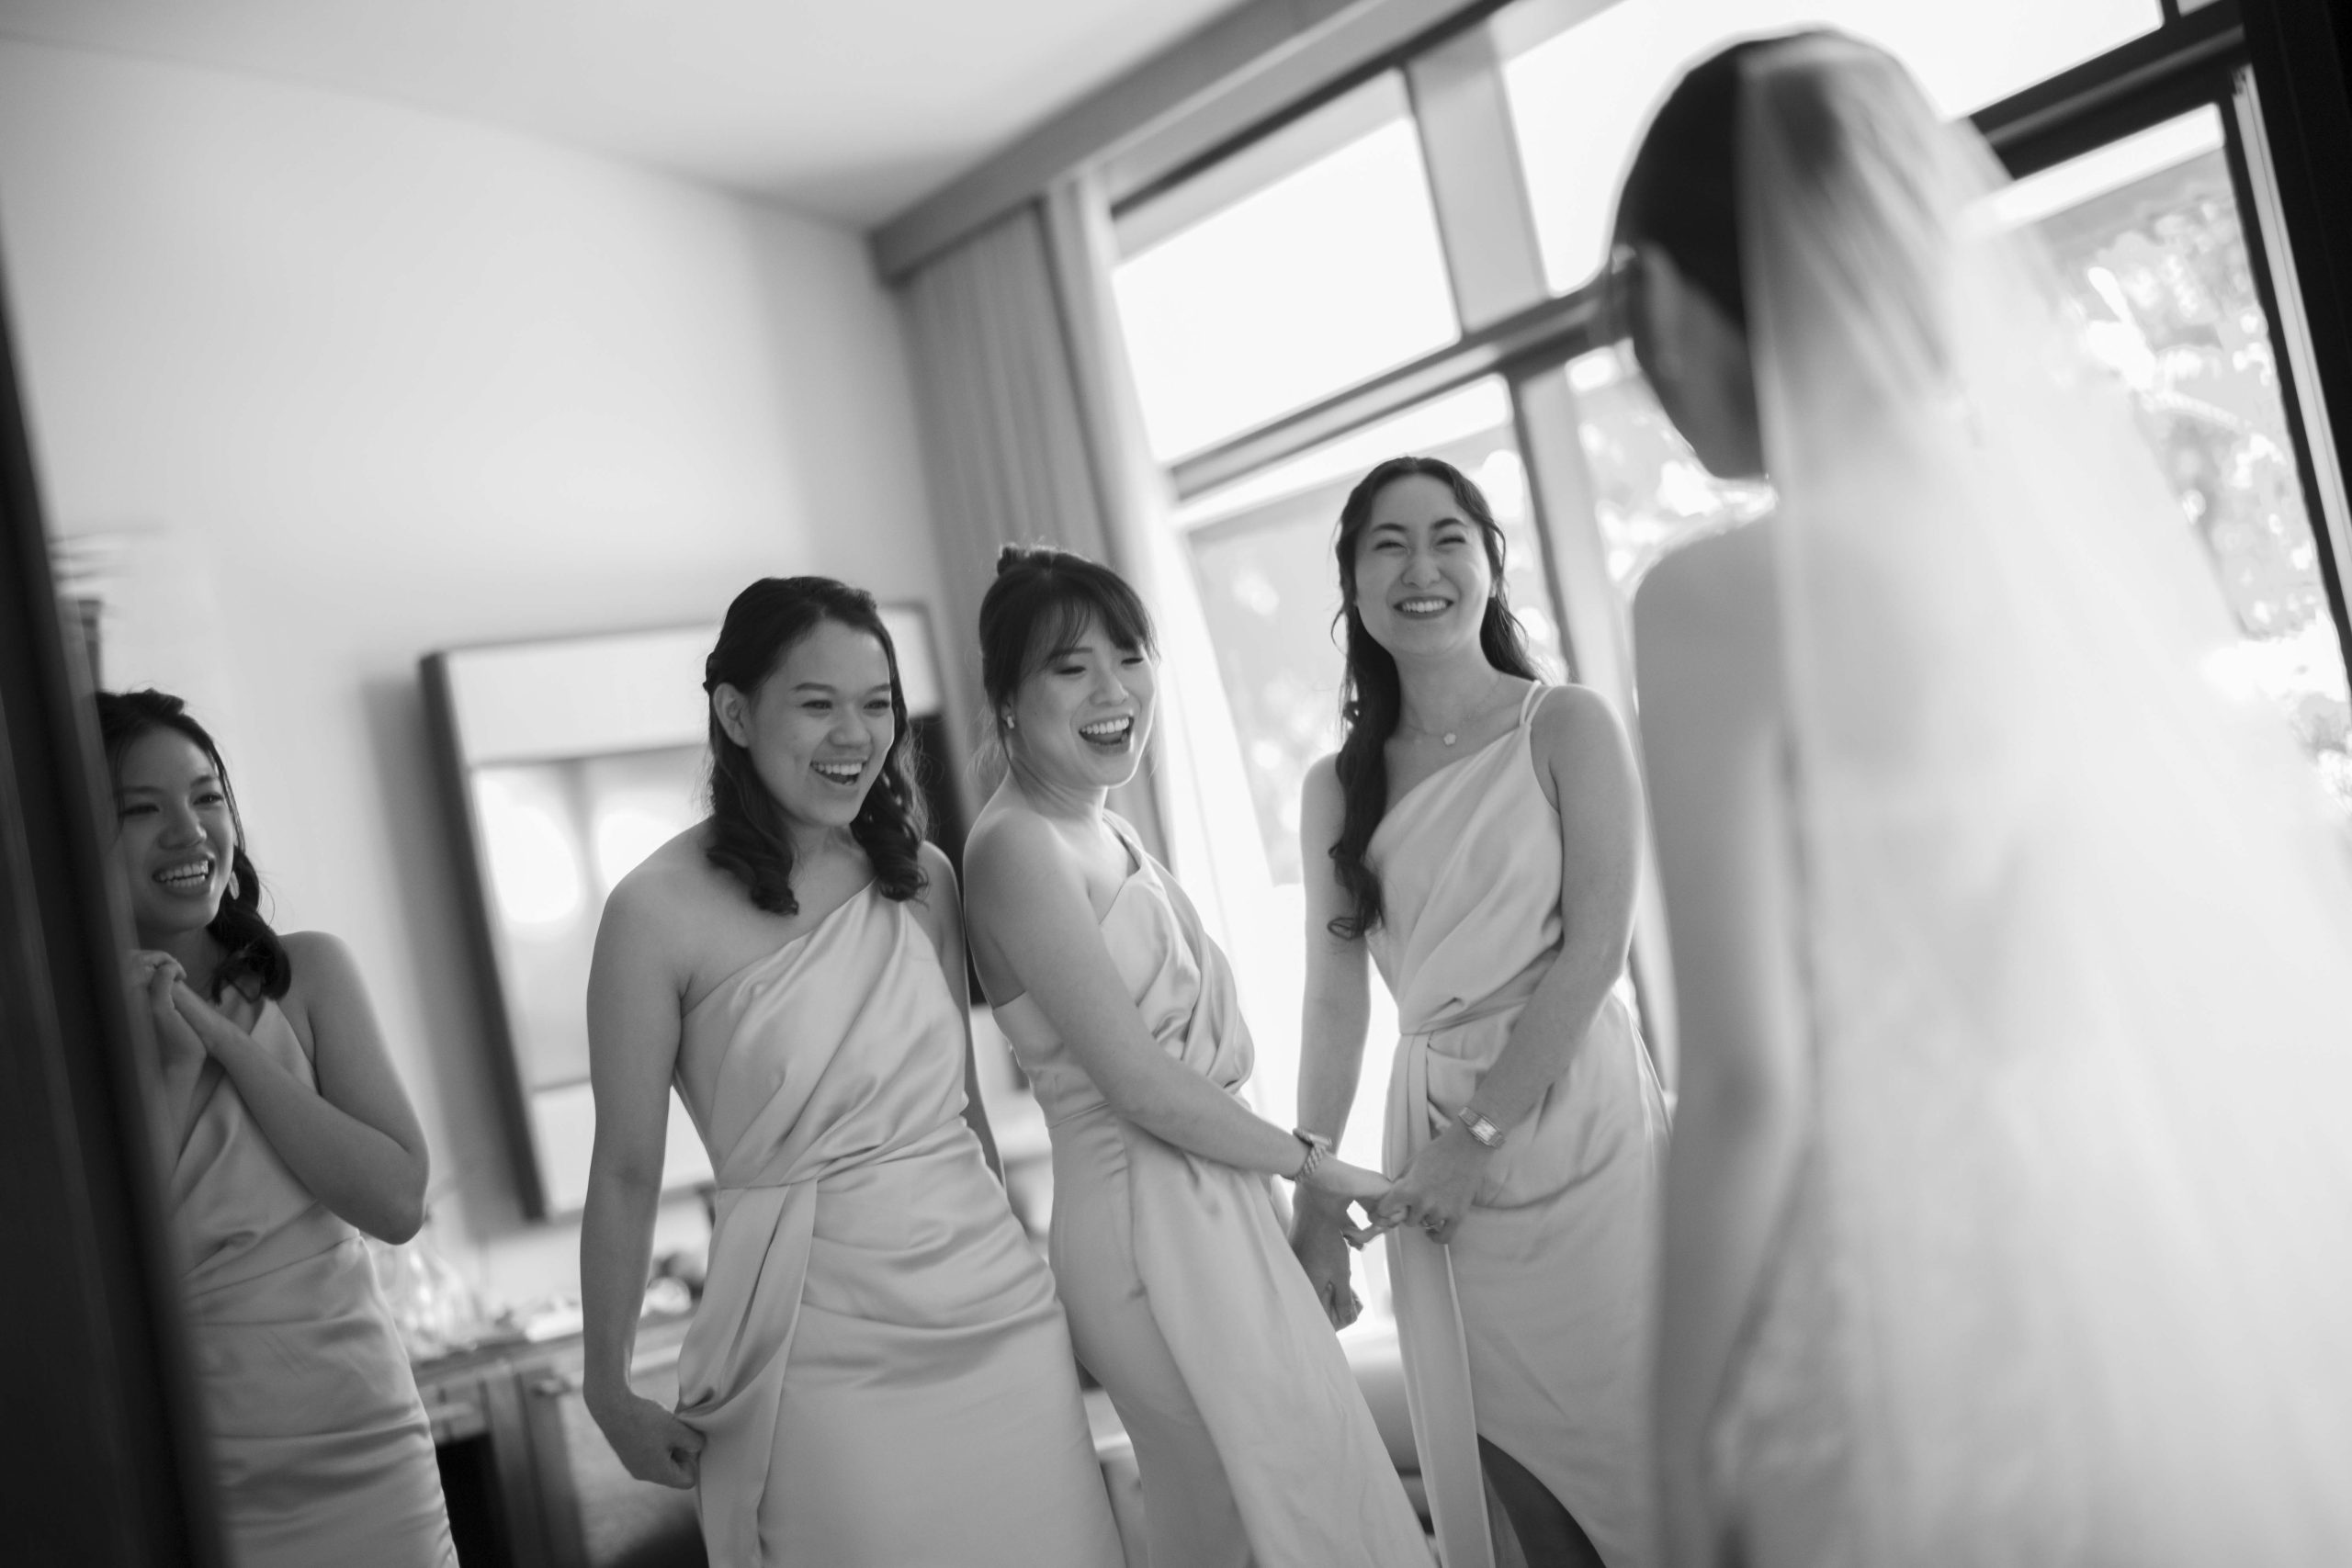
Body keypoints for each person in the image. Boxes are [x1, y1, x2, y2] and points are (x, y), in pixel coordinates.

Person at [1613, 32, 2352, 1567]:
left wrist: (1671, 1444)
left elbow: (1747, 1080)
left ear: (1687, 294)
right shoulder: (2065, 551)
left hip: (1898, 1285)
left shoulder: (1718, 600)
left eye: (1638, 314)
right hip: (2146, 1248)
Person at [580, 576, 1122, 1568]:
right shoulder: (651, 913)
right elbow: (622, 1168)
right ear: (735, 713)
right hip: (812, 1343)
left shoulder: (925, 878)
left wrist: (1037, 1279)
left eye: (876, 704)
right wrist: (606, 1385)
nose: (854, 734)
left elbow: (966, 1114)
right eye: (817, 703)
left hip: (997, 1315)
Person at [961, 545, 1429, 1568]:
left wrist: (1293, 1211)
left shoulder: (1105, 828)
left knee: (1305, 1487)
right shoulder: (1014, 847)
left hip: (1216, 1197)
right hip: (1142, 1217)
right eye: (1071, 668)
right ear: (1007, 700)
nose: (1113, 690)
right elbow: (1137, 1081)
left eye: (1130, 657)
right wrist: (1315, 1167)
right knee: (1235, 1510)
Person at [1290, 458, 1668, 1568]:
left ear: (1490, 564)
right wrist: (1313, 1189)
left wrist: (1477, 1135)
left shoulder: (1568, 725)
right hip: (1431, 1151)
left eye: (1448, 538)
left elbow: (1596, 952)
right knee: (1526, 1502)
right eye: (1389, 545)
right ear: (1353, 586)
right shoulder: (1334, 786)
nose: (1422, 568)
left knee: (1643, 1468)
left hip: (1577, 1123)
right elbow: (1332, 997)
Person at [97, 689, 456, 1568]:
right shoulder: (64, 1038)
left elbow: (396, 1201)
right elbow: (108, 1276)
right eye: (141, 809)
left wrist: (226, 1038)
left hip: (370, 1443)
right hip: (202, 1467)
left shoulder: (309, 973)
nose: (189, 831)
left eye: (206, 796)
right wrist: (172, 1066)